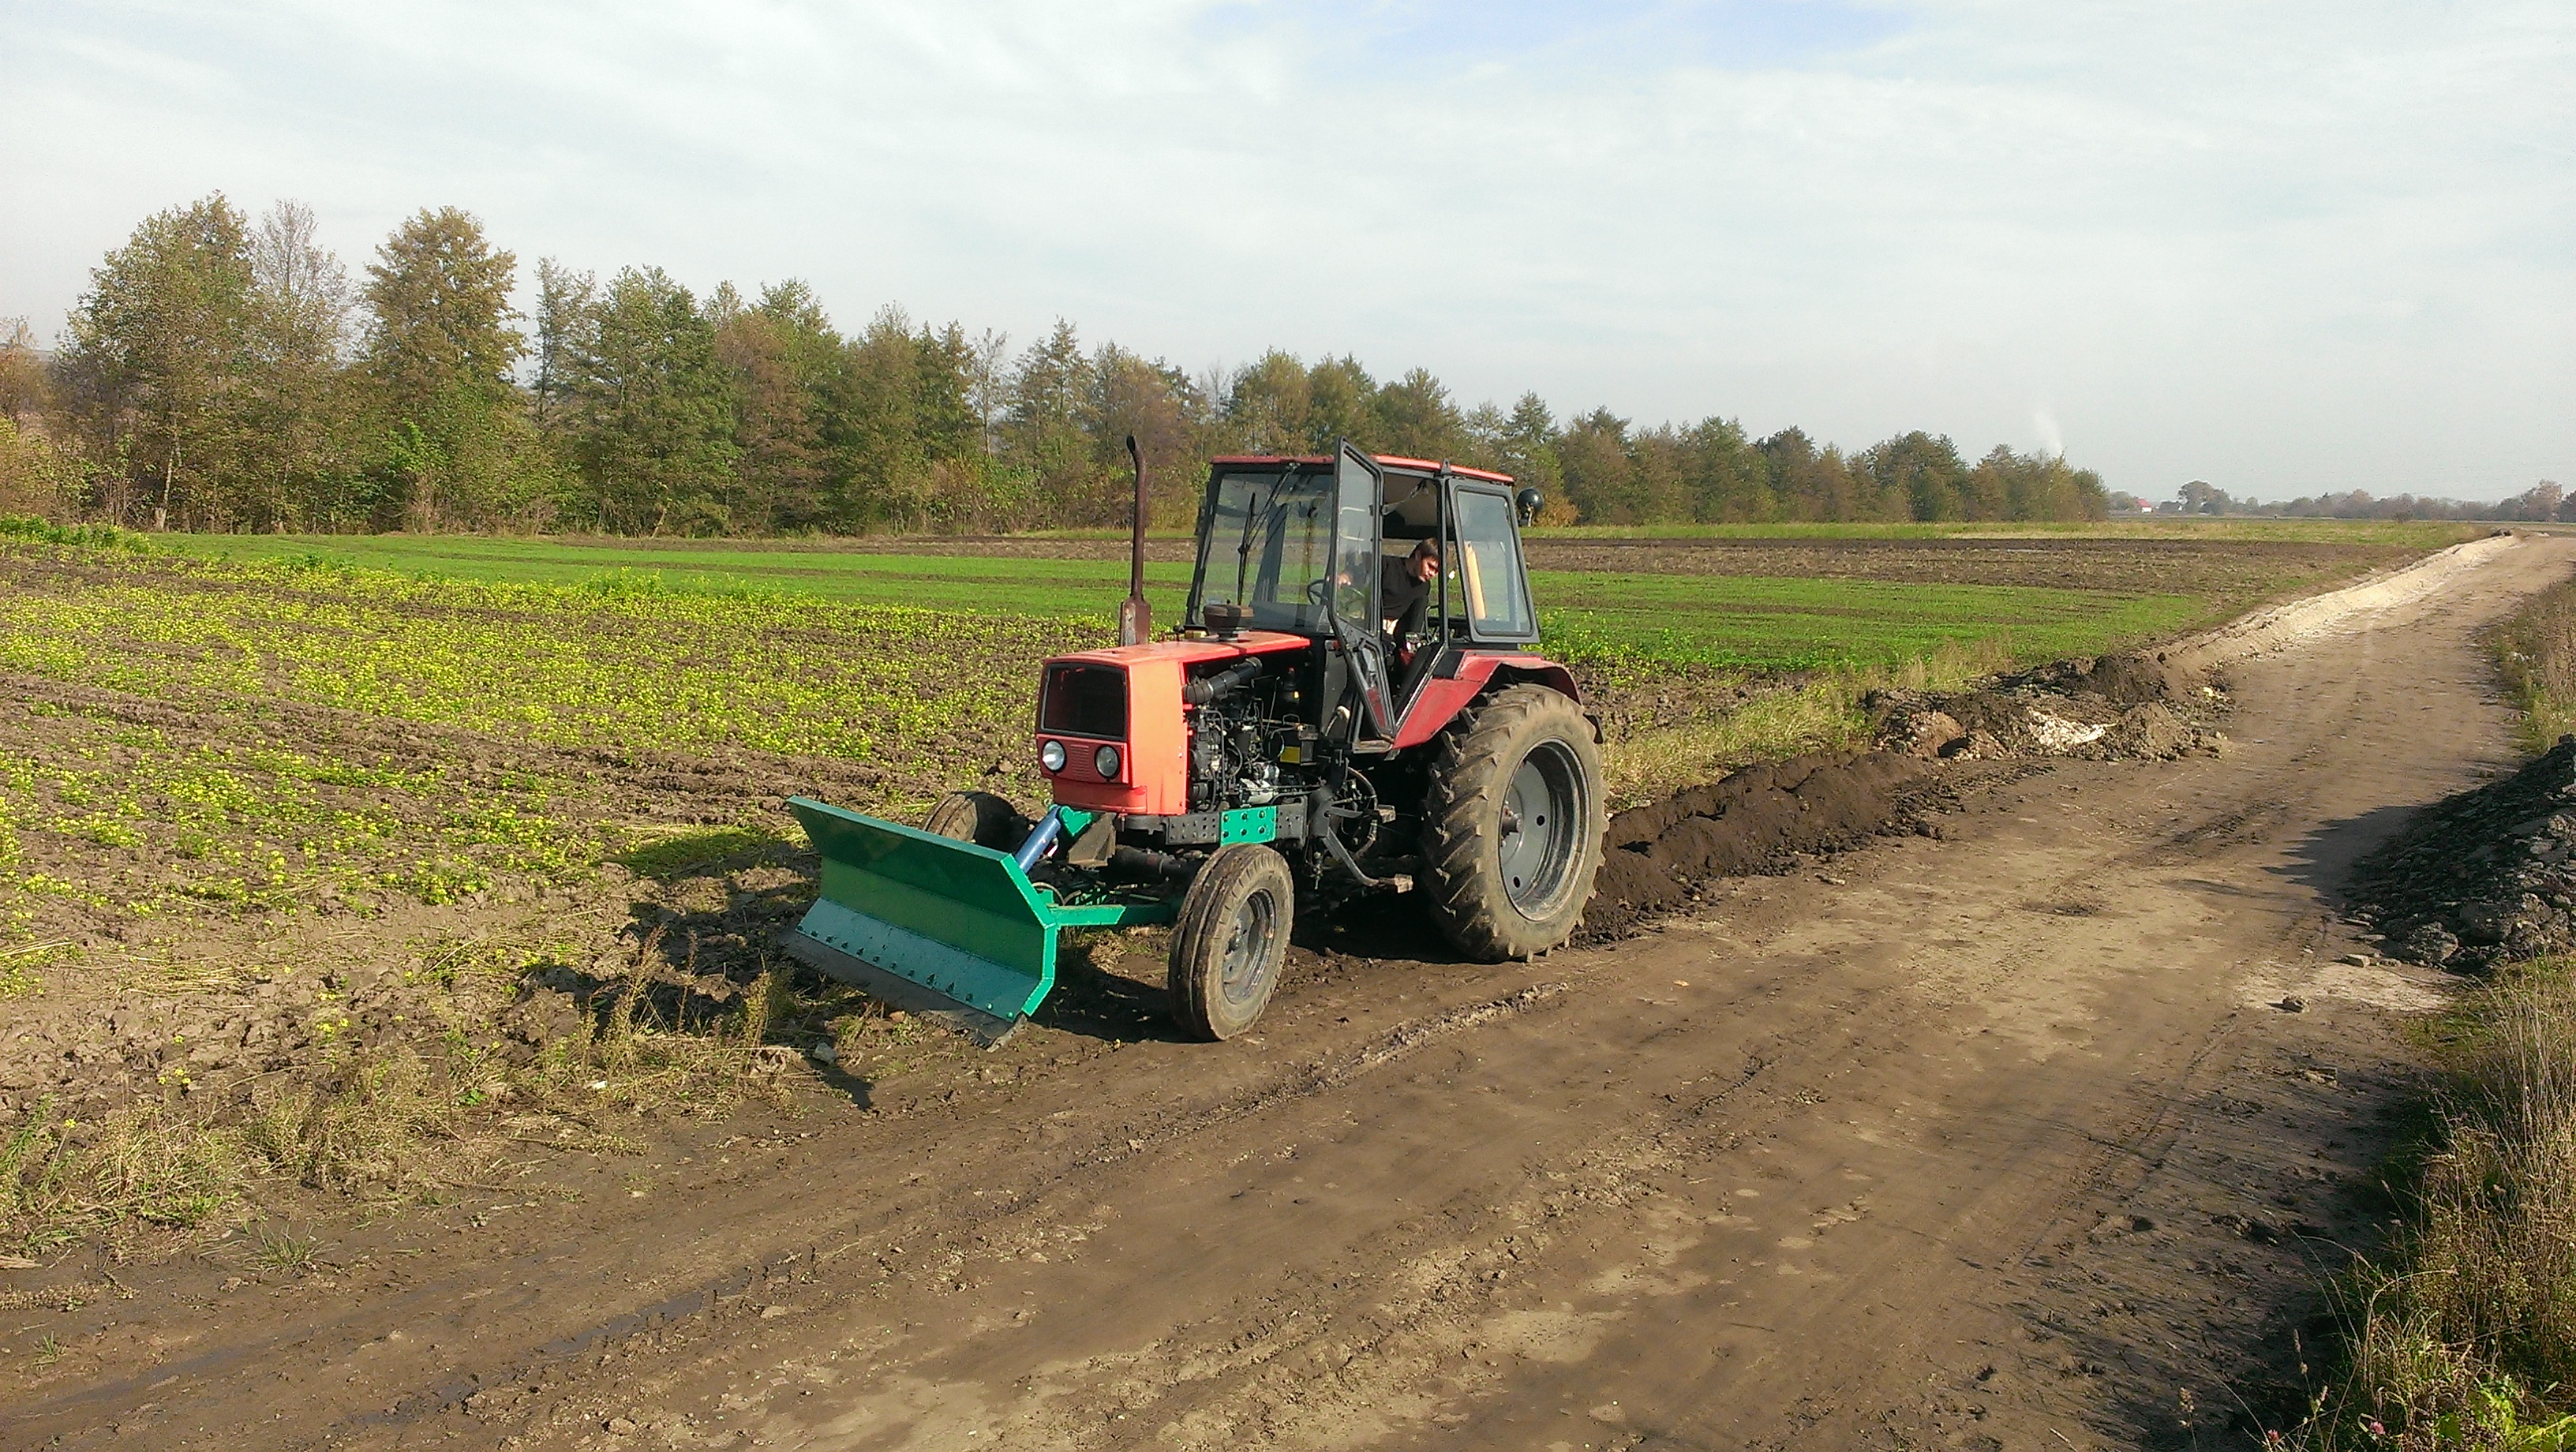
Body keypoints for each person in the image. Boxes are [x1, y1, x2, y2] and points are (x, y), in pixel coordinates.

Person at [1376, 538, 1441, 647]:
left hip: (1392, 637)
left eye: (1436, 571)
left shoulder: (1424, 588)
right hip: (1369, 629)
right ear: (1418, 555)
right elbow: (1359, 573)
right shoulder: (1386, 566)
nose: (1432, 574)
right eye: (1430, 566)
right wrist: (1348, 575)